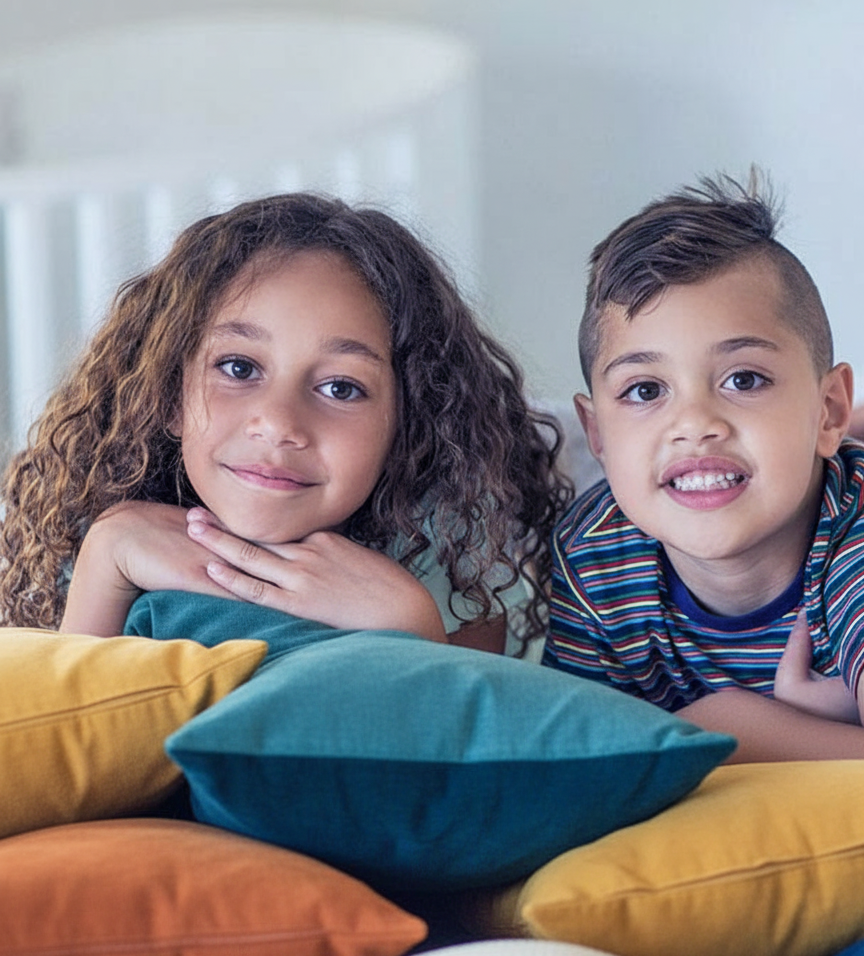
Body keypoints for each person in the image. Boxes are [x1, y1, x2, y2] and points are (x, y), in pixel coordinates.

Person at [543, 172, 864, 766]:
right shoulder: (595, 554)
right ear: (597, 435)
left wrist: (733, 724)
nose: (694, 424)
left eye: (744, 379)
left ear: (829, 410)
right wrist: (794, 721)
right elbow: (580, 756)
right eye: (645, 390)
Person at [0, 192, 571, 655]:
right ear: (168, 397)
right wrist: (106, 557)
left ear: (408, 425)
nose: (277, 423)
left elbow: (465, 745)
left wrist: (411, 624)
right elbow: (59, 742)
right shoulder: (97, 526)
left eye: (341, 387)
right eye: (238, 368)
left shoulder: (447, 547)